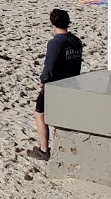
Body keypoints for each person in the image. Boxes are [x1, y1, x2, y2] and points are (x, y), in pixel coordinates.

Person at [30, 8, 83, 161]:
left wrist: (44, 80)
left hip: (55, 85)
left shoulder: (55, 43)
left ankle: (44, 149)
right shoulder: (76, 40)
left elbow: (49, 66)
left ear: (52, 23)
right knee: (61, 117)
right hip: (72, 82)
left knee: (40, 114)